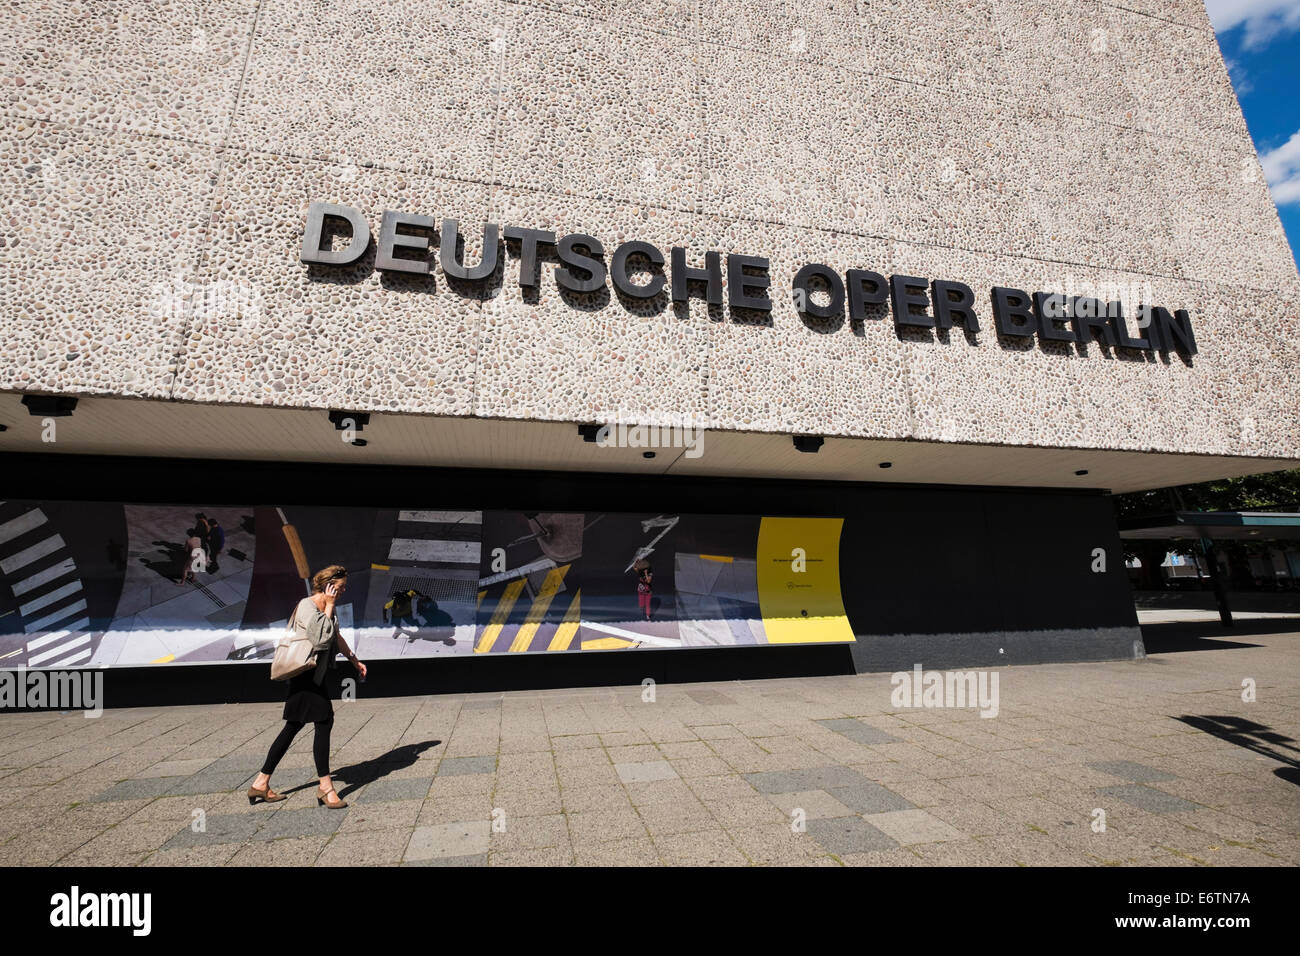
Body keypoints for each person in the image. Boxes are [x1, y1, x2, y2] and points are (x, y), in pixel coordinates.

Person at [248, 565, 367, 809]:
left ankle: (261, 783)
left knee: (293, 726)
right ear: (329, 585)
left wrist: (354, 660)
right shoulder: (307, 605)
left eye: (344, 587)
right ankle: (326, 788)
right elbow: (321, 640)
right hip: (304, 675)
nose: (343, 591)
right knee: (323, 722)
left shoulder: (326, 607)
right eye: (341, 586)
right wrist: (330, 605)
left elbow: (335, 636)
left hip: (316, 676)